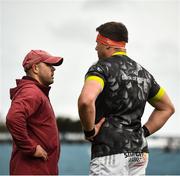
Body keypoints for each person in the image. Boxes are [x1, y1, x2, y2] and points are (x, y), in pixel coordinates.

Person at [78, 22, 175, 175]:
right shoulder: (144, 74)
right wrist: (142, 132)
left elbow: (86, 100)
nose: (96, 48)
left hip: (109, 151)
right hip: (139, 152)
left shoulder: (101, 68)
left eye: (98, 43)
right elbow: (167, 108)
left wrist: (89, 131)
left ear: (108, 44)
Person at [6, 50, 63, 175]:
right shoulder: (31, 91)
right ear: (35, 68)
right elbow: (13, 118)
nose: (53, 69)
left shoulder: (36, 91)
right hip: (32, 170)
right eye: (49, 65)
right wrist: (31, 148)